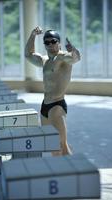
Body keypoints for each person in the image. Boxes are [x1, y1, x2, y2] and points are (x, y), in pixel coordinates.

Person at [25, 26, 80, 155]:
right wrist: (33, 35)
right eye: (47, 42)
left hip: (57, 106)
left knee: (61, 146)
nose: (50, 44)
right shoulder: (45, 60)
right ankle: (62, 172)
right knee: (52, 146)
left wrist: (74, 51)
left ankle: (73, 173)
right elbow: (28, 54)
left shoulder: (62, 57)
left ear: (59, 43)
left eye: (53, 41)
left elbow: (75, 59)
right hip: (45, 106)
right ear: (44, 44)